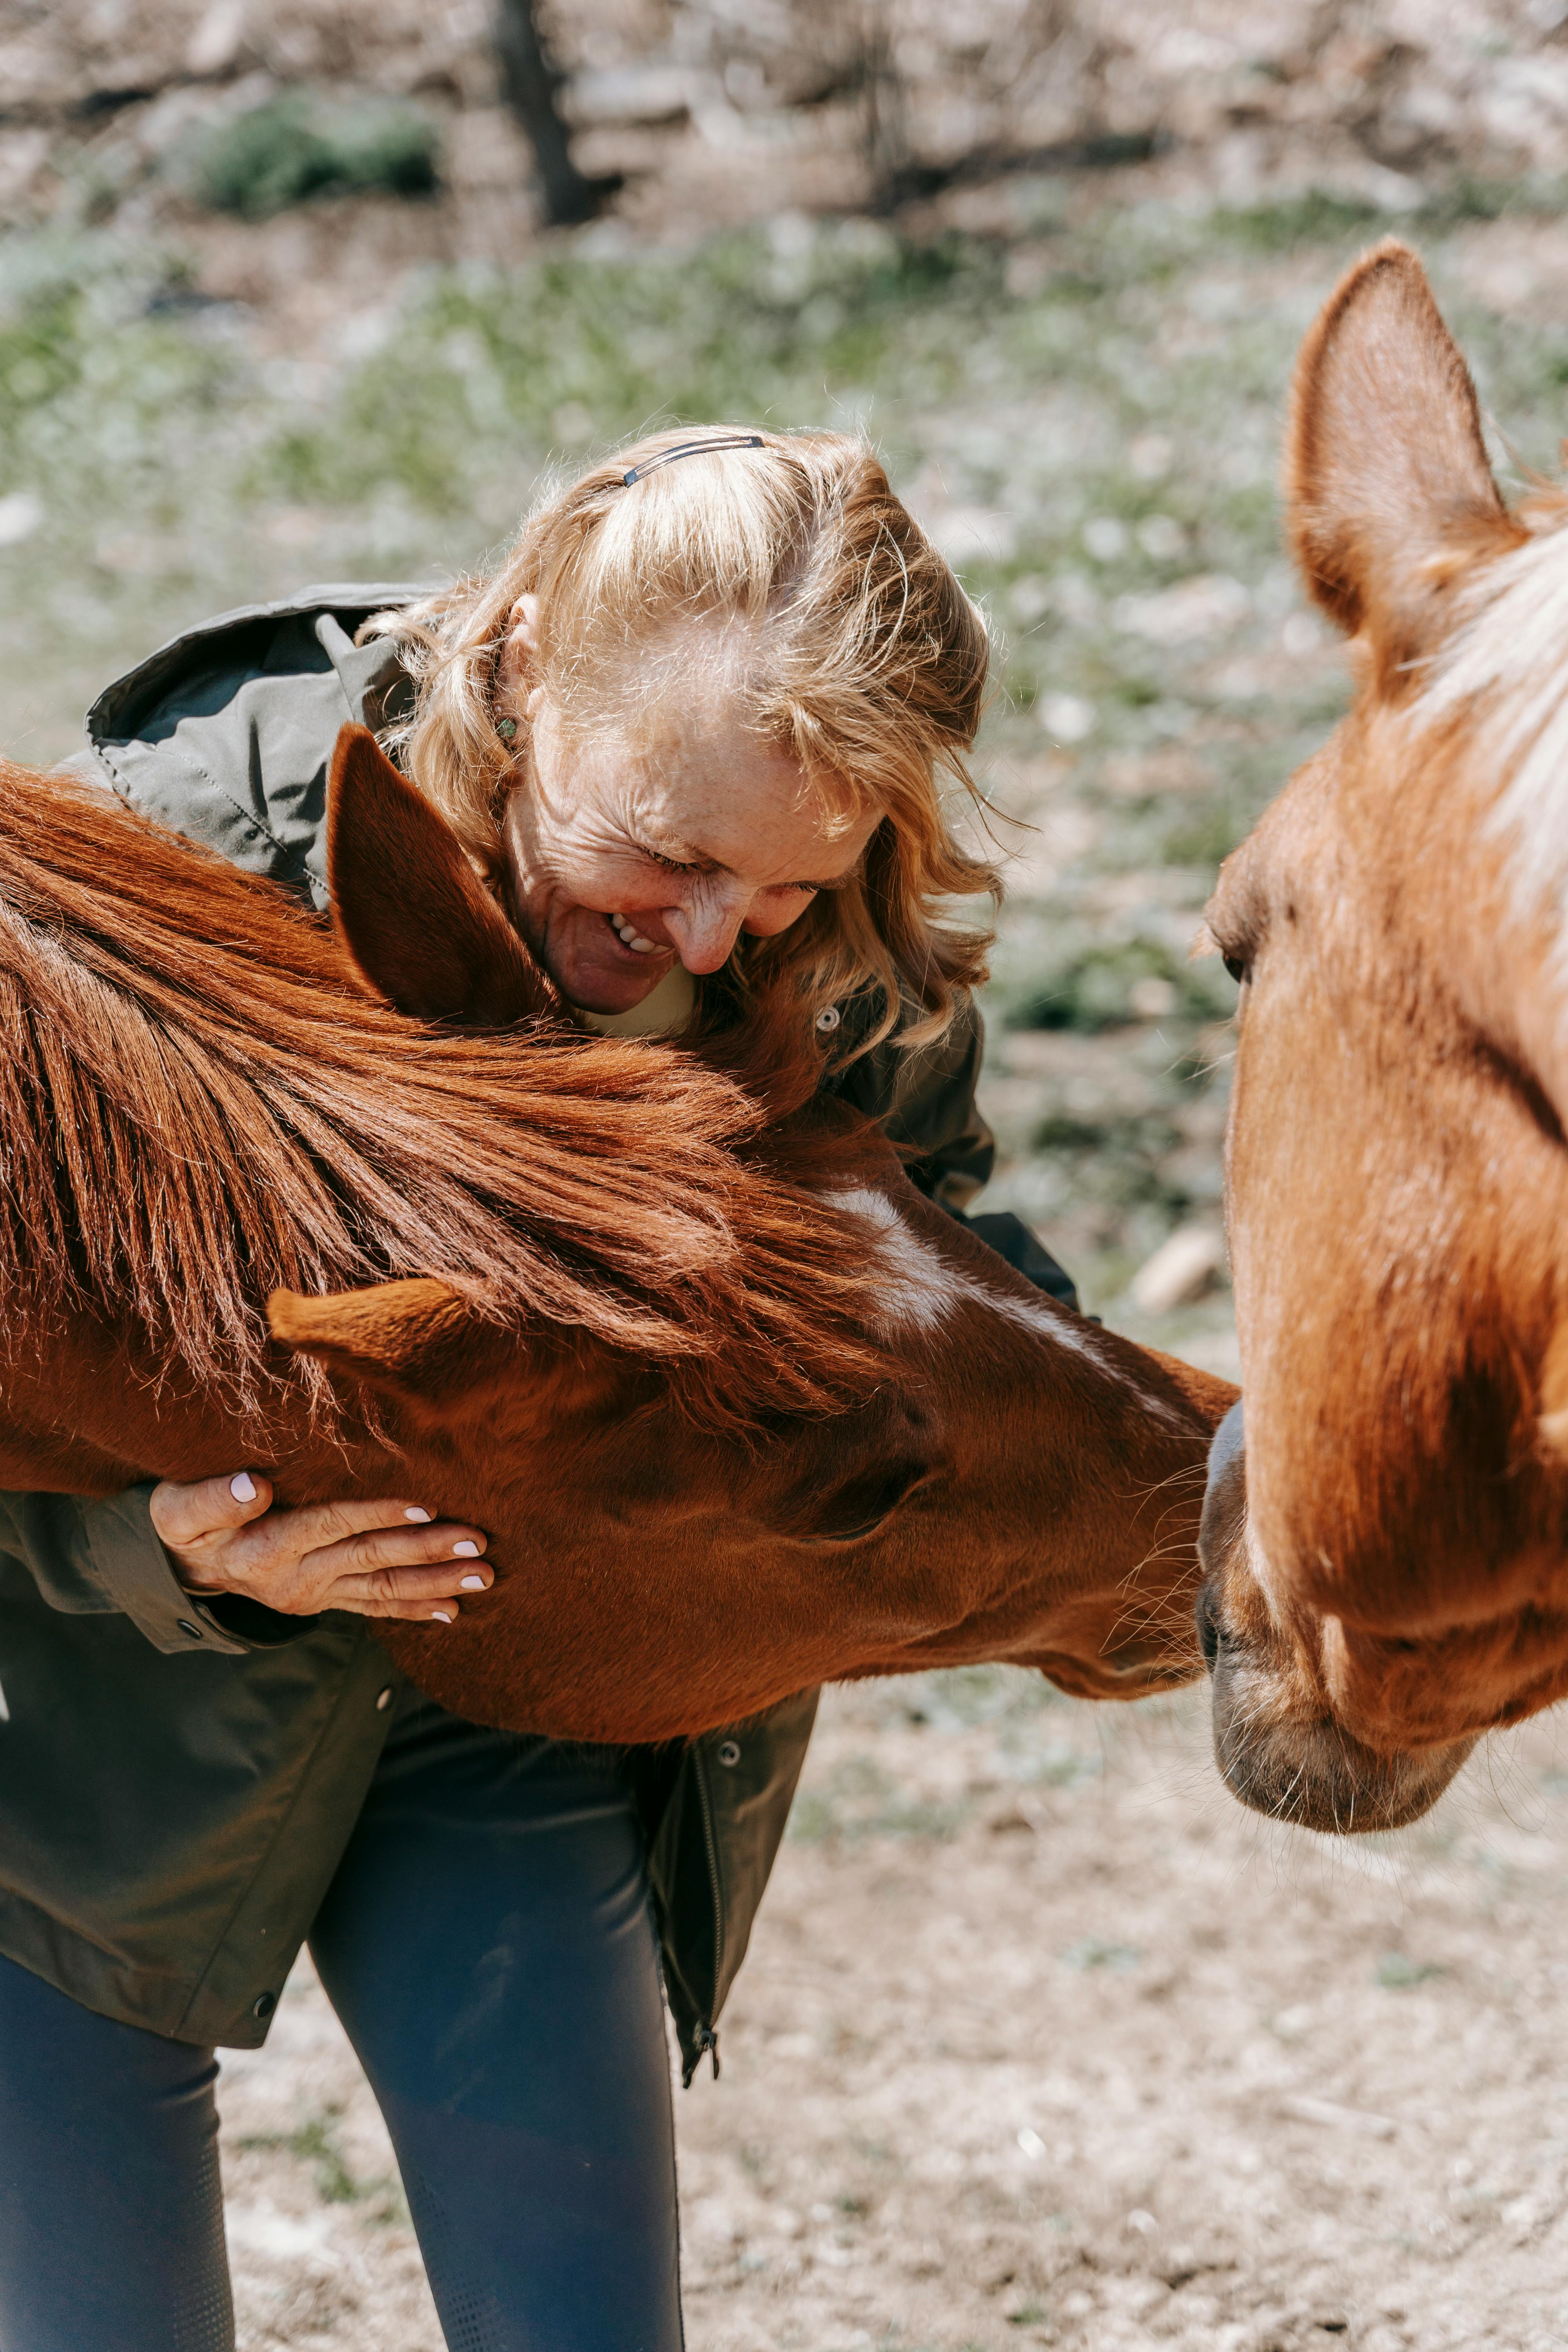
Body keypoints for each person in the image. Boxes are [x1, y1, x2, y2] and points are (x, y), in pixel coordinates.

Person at [0, 427, 1076, 2352]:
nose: (708, 936)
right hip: (87, 1745)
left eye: (778, 882)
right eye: (664, 857)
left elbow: (947, 1282)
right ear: (512, 668)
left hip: (529, 1707)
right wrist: (160, 1555)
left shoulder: (824, 936)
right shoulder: (155, 864)